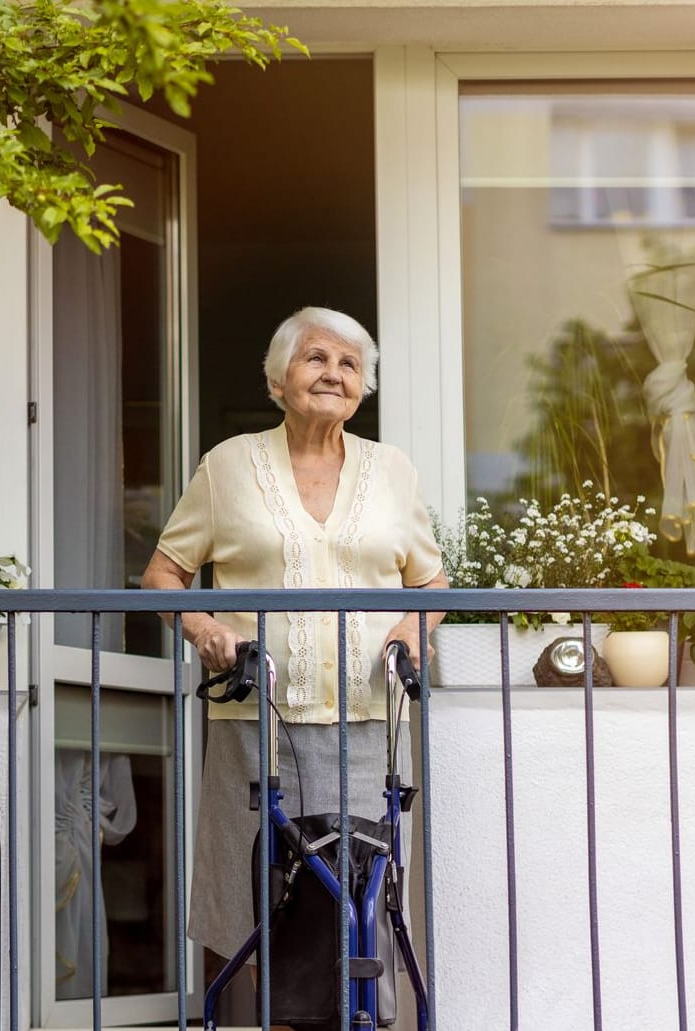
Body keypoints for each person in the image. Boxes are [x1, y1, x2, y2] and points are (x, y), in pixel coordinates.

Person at [140, 306, 447, 1027]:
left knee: (356, 896)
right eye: (315, 358)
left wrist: (412, 624)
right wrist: (202, 626)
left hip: (366, 722)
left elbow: (432, 585)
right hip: (256, 716)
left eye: (348, 364)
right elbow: (162, 575)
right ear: (279, 379)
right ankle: (227, 1021)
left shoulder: (392, 471)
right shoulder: (227, 466)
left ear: (363, 387)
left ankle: (356, 1020)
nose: (332, 374)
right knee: (241, 892)